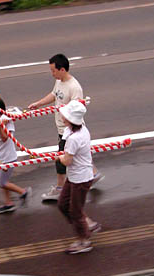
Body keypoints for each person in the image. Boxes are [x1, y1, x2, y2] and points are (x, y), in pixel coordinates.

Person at [28, 54, 104, 201]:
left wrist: (67, 129)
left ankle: (60, 188)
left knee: (61, 159)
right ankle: (94, 174)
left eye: (53, 71)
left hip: (69, 131)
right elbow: (54, 95)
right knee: (79, 155)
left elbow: (76, 111)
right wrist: (39, 104)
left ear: (62, 69)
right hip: (62, 128)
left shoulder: (74, 87)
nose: (52, 74)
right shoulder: (59, 81)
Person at [56, 101, 100, 254]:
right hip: (75, 177)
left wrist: (59, 157)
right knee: (62, 204)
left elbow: (67, 161)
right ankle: (83, 225)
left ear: (69, 119)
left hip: (81, 179)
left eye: (64, 115)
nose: (62, 115)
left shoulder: (74, 139)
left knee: (75, 211)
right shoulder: (78, 129)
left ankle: (84, 240)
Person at [0, 99, 32, 214]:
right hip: (1, 157)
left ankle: (23, 192)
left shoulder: (7, 121)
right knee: (4, 181)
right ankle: (8, 203)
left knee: (2, 182)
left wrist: (1, 125)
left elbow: (5, 138)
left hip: (8, 157)